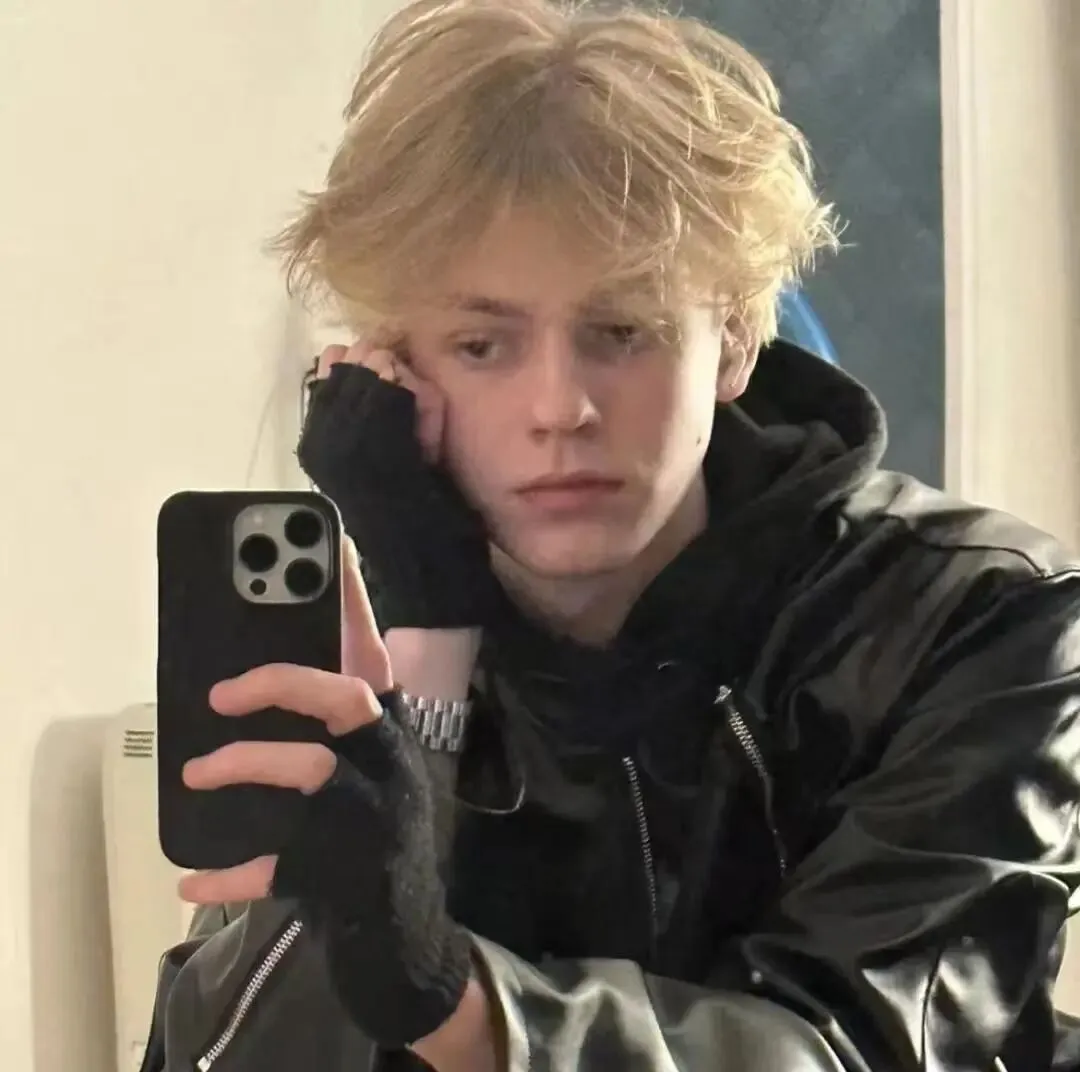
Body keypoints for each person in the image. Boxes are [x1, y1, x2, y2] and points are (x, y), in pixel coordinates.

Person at [141, 1, 1080, 1069]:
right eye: (483, 344)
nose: (561, 408)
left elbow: (851, 1047)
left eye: (623, 330)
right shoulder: (391, 641)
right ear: (397, 369)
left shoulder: (981, 615)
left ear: (734, 340)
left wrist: (452, 998)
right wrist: (428, 636)